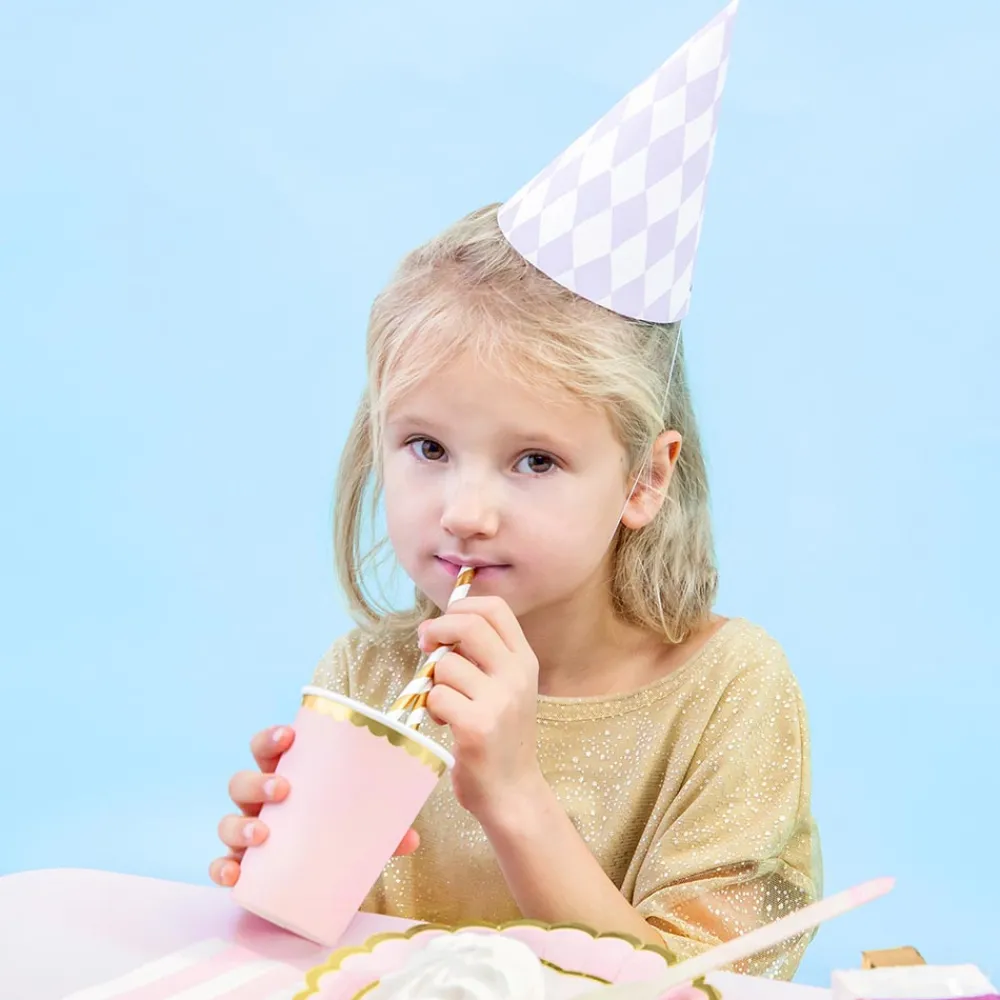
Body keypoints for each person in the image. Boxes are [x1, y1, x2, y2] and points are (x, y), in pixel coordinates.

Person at [211, 6, 821, 977]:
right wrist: (281, 889)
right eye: (426, 446)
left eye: (534, 461)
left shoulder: (727, 693)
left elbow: (710, 989)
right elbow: (327, 972)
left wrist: (514, 795)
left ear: (645, 478)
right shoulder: (373, 677)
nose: (464, 511)